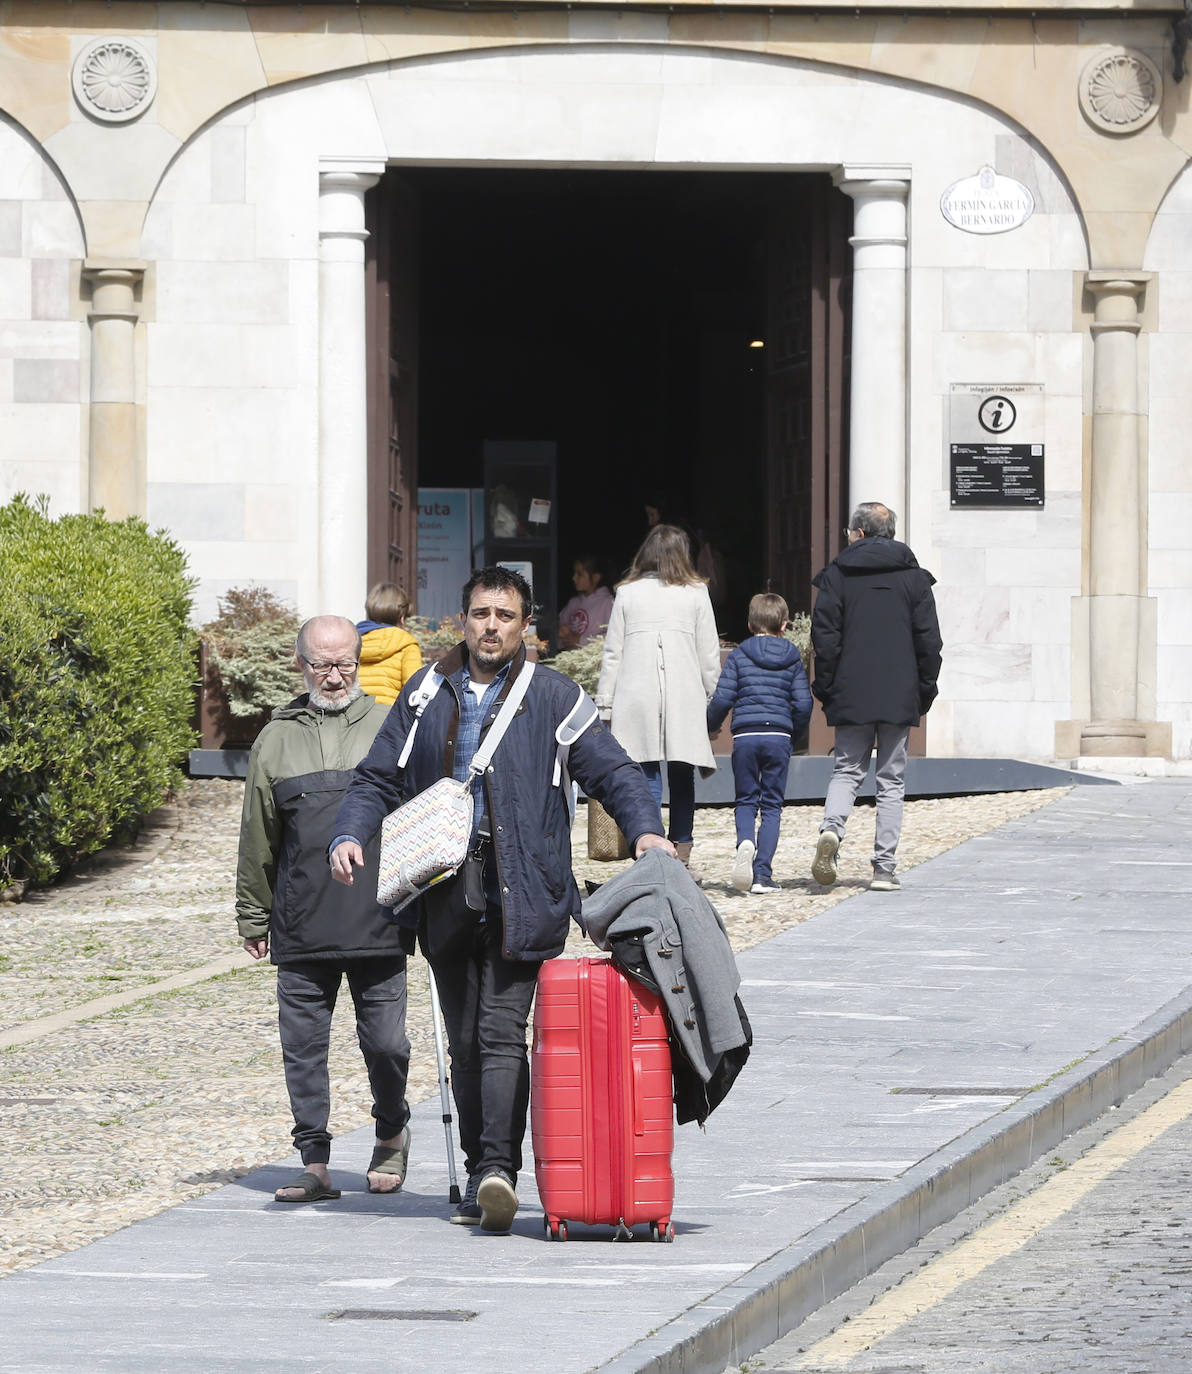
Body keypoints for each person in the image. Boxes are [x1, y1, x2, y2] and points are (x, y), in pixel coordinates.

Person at [330, 566, 672, 1233]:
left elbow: (612, 770)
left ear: (525, 625)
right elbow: (377, 777)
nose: (492, 627)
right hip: (443, 888)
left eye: (505, 616)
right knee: (463, 1042)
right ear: (464, 620)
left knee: (500, 1031)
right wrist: (349, 832)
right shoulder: (424, 692)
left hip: (526, 888)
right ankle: (480, 1170)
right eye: (481, 614)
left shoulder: (555, 697)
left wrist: (645, 830)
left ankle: (497, 1171)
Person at [235, 615, 413, 1203]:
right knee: (303, 1049)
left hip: (379, 918)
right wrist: (253, 914)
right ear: (300, 664)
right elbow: (258, 835)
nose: (334, 677)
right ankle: (314, 1161)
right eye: (321, 665)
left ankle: (391, 1129)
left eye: (344, 664)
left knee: (387, 1045)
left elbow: (420, 816)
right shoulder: (274, 739)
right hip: (301, 918)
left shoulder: (389, 725)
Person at [809, 503, 943, 893]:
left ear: (860, 533)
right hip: (899, 691)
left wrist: (826, 687)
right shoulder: (914, 579)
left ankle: (832, 829)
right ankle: (883, 868)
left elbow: (825, 639)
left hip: (851, 689)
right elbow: (929, 642)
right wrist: (925, 689)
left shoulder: (837, 576)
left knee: (847, 771)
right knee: (891, 779)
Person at [596, 524, 722, 875]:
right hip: (684, 696)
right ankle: (681, 853)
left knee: (644, 776)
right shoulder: (696, 593)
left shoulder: (627, 593)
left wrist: (605, 705)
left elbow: (613, 653)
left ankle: (651, 855)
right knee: (682, 777)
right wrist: (712, 700)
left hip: (636, 696)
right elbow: (709, 653)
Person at [707, 592, 812, 895]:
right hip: (778, 736)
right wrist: (794, 734)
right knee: (772, 805)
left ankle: (745, 842)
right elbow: (803, 704)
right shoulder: (792, 656)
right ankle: (763, 874)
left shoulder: (739, 656)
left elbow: (723, 699)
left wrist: (710, 726)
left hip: (745, 736)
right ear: (784, 625)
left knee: (745, 800)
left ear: (750, 625)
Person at [356, 581, 422, 705]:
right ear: (402, 618)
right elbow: (414, 691)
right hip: (389, 714)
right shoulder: (406, 644)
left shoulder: (351, 642)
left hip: (354, 714)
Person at [557, 554, 614, 650]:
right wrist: (562, 634)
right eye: (574, 573)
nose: (574, 578)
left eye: (579, 574)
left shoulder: (608, 603)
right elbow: (559, 626)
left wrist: (580, 641)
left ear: (595, 578)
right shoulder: (573, 602)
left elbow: (612, 638)